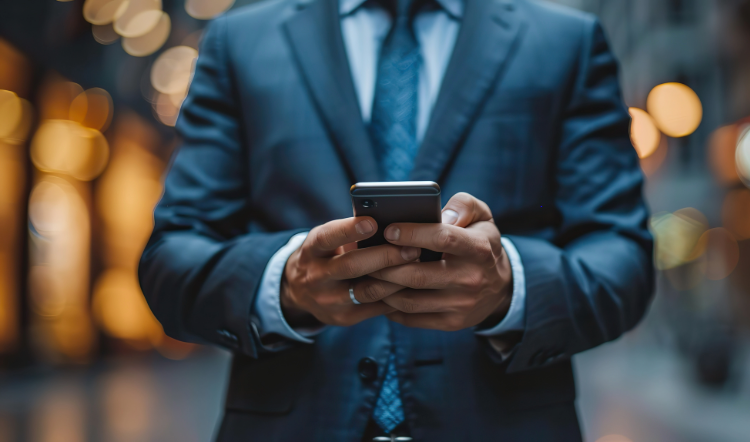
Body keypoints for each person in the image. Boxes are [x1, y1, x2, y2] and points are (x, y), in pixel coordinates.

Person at [138, 0, 654, 439]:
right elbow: (172, 257)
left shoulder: (566, 41)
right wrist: (285, 286)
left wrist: (509, 287)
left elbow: (623, 260)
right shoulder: (239, 41)